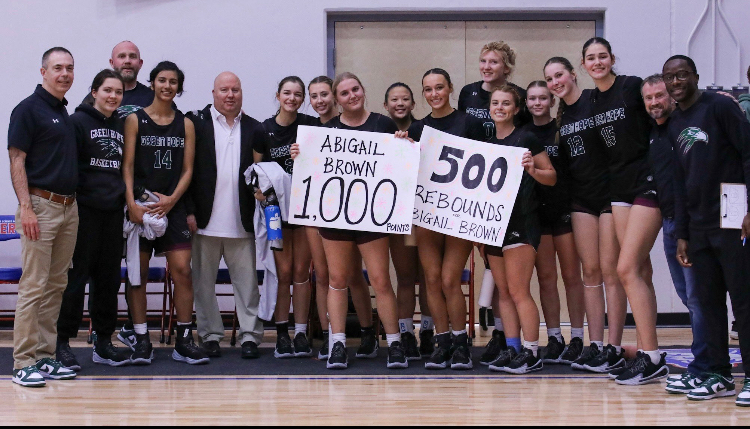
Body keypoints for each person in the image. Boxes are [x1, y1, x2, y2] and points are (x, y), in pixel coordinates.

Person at [292, 72, 408, 370]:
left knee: (381, 280)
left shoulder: (383, 123)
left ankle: (394, 344)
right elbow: (313, 171)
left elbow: (398, 164)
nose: (351, 95)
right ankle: (338, 344)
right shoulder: (327, 130)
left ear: (363, 90)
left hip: (373, 216)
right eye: (344, 93)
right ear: (337, 99)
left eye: (355, 89)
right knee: (337, 280)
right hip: (336, 214)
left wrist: (402, 143)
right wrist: (300, 155)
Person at [664, 55, 750, 406]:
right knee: (710, 304)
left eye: (682, 74)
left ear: (696, 77)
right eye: (670, 76)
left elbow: (748, 155)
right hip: (698, 227)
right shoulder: (674, 122)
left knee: (744, 302)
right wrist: (682, 232)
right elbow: (681, 182)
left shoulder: (721, 108)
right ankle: (718, 374)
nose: (676, 81)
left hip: (732, 221)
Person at [583, 37, 667, 384]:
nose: (598, 62)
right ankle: (646, 349)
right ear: (584, 65)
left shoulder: (631, 86)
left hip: (647, 179)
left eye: (603, 56)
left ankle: (652, 355)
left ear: (612, 58)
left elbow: (661, 106)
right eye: (591, 58)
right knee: (640, 271)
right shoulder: (592, 100)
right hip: (618, 187)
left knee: (625, 267)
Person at [542, 57, 627, 372]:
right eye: (550, 79)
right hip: (581, 201)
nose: (555, 82)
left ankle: (615, 346)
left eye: (559, 75)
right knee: (589, 273)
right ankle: (596, 345)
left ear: (572, 74)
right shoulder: (561, 118)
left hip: (608, 197)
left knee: (610, 271)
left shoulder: (595, 101)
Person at [122, 61, 208, 365]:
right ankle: (141, 338)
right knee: (138, 274)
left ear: (179, 87)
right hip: (141, 207)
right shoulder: (135, 119)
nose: (167, 86)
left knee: (183, 270)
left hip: (173, 206)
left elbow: (189, 169)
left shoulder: (185, 123)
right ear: (153, 83)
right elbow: (128, 165)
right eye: (162, 80)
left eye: (173, 82)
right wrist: (131, 203)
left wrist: (172, 200)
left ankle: (184, 338)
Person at [8, 47, 79, 387]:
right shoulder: (28, 110)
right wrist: (25, 207)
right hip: (40, 207)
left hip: (69, 207)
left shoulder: (63, 112)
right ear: (43, 72)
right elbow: (17, 160)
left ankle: (45, 356)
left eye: (69, 68)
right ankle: (22, 361)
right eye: (57, 68)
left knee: (56, 285)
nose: (64, 74)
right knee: (34, 286)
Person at [405, 69, 486, 370]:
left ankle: (461, 343)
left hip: (459, 213)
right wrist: (401, 145)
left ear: (450, 88)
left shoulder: (470, 122)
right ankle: (443, 343)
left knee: (451, 278)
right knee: (433, 279)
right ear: (423, 93)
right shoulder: (417, 128)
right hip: (427, 213)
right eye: (428, 89)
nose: (434, 94)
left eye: (439, 87)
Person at [185, 72, 266, 360]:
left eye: (235, 89)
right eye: (224, 90)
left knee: (247, 286)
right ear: (213, 93)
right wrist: (189, 210)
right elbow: (186, 172)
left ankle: (250, 336)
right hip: (204, 222)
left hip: (242, 221)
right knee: (203, 285)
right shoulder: (195, 124)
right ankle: (210, 336)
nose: (230, 95)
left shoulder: (256, 128)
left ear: (242, 93)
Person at [55, 69, 132, 370]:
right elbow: (70, 167)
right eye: (108, 90)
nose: (113, 96)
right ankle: (62, 343)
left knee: (108, 281)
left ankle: (103, 342)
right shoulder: (77, 122)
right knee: (75, 280)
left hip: (113, 213)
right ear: (95, 91)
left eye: (118, 92)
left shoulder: (122, 125)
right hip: (83, 212)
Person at [639, 74, 707, 393]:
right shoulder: (652, 132)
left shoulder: (685, 127)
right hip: (669, 222)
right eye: (649, 98)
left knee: (699, 298)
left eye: (660, 95)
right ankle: (705, 363)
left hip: (689, 225)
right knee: (688, 297)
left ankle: (706, 366)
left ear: (672, 96)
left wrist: (686, 229)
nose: (655, 102)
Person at [482, 85, 556, 374]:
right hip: (492, 226)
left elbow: (551, 176)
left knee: (519, 291)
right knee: (503, 292)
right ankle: (512, 349)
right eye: (495, 103)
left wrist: (533, 171)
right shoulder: (486, 142)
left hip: (521, 224)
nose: (499, 107)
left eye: (506, 103)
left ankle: (531, 351)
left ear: (515, 108)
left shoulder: (526, 138)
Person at [306, 76, 377, 360]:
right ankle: (330, 337)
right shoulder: (311, 132)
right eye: (316, 95)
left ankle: (368, 331)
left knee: (353, 275)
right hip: (322, 210)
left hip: (361, 211)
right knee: (325, 275)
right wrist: (299, 154)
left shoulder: (351, 124)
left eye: (325, 94)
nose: (321, 100)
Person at [523, 81, 586, 365]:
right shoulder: (522, 132)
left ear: (551, 101)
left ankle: (576, 337)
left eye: (542, 98)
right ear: (526, 102)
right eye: (532, 98)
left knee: (572, 277)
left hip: (564, 209)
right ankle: (554, 336)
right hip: (537, 213)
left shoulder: (563, 129)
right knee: (547, 279)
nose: (537, 102)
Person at [255, 76, 316, 359]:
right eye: (287, 93)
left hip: (304, 209)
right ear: (278, 95)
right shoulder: (263, 129)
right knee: (283, 274)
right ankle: (281, 334)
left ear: (302, 99)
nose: (292, 98)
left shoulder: (310, 125)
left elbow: (321, 160)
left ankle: (301, 332)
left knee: (302, 274)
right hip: (275, 212)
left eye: (297, 94)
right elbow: (255, 174)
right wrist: (260, 193)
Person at [383, 82, 433, 360]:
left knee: (427, 277)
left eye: (405, 99)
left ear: (413, 104)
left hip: (424, 211)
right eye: (394, 99)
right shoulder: (378, 131)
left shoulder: (426, 130)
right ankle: (405, 333)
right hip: (395, 213)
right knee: (404, 277)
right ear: (386, 105)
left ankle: (427, 330)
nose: (400, 103)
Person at [458, 41, 531, 140]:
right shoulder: (467, 91)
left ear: (506, 68)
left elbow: (527, 132)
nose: (486, 67)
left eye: (494, 62)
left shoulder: (520, 95)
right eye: (483, 61)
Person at [83, 41, 158, 119]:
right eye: (122, 56)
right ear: (112, 62)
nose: (127, 61)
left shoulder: (153, 98)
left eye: (132, 56)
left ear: (140, 63)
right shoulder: (97, 97)